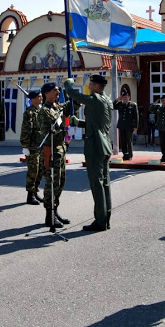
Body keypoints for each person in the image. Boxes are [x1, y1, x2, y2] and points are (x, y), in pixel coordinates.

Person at [64, 75, 113, 232]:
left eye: (91, 85)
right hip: (104, 145)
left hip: (95, 147)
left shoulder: (96, 99)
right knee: (104, 184)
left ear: (97, 87)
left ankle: (100, 221)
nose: (89, 87)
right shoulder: (107, 100)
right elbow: (97, 123)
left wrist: (69, 85)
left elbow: (76, 95)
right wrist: (80, 123)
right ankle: (105, 218)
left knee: (97, 184)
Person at [37, 82, 71, 228]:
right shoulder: (44, 111)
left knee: (60, 182)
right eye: (54, 90)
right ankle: (49, 215)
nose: (57, 92)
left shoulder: (57, 107)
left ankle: (55, 211)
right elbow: (47, 134)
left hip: (60, 151)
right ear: (46, 93)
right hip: (50, 151)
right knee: (51, 184)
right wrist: (63, 132)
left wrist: (72, 94)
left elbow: (70, 105)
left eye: (58, 90)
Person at [20, 90, 44, 205]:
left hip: (41, 145)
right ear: (33, 99)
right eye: (39, 97)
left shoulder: (41, 110)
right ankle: (30, 195)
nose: (41, 98)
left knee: (40, 170)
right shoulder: (29, 113)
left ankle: (35, 191)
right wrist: (25, 146)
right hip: (32, 146)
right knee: (33, 171)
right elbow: (26, 130)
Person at [113, 88, 138, 161]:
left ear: (129, 97)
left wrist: (135, 126)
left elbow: (136, 116)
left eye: (126, 97)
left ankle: (130, 155)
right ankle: (125, 154)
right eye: (123, 97)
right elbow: (112, 106)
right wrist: (117, 99)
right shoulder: (120, 104)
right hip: (121, 125)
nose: (125, 98)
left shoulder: (133, 105)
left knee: (129, 140)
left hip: (129, 126)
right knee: (123, 140)